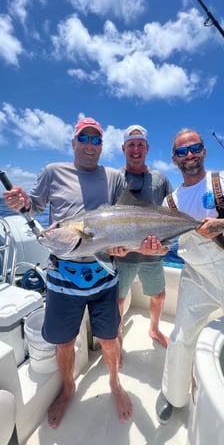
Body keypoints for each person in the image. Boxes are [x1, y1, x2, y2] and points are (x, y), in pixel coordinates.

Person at [3, 117, 134, 429]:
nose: (90, 145)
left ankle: (115, 383)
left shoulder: (114, 176)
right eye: (84, 139)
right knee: (64, 342)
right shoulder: (53, 171)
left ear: (102, 145)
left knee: (110, 338)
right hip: (62, 277)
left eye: (96, 140)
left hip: (104, 273)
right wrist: (19, 201)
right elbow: (32, 207)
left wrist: (125, 246)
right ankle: (69, 387)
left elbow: (124, 219)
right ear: (74, 142)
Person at [156, 127, 224, 424]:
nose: (189, 155)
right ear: (173, 158)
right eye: (182, 151)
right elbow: (161, 250)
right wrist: (148, 249)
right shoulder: (169, 204)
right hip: (196, 278)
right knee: (182, 336)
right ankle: (174, 395)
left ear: (204, 150)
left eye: (194, 148)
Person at [113, 124, 173, 366]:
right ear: (123, 148)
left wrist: (165, 247)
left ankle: (154, 329)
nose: (135, 149)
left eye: (140, 144)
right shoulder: (114, 179)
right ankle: (116, 340)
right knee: (118, 300)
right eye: (131, 144)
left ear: (147, 148)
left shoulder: (160, 179)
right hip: (123, 255)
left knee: (159, 295)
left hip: (153, 254)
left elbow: (173, 213)